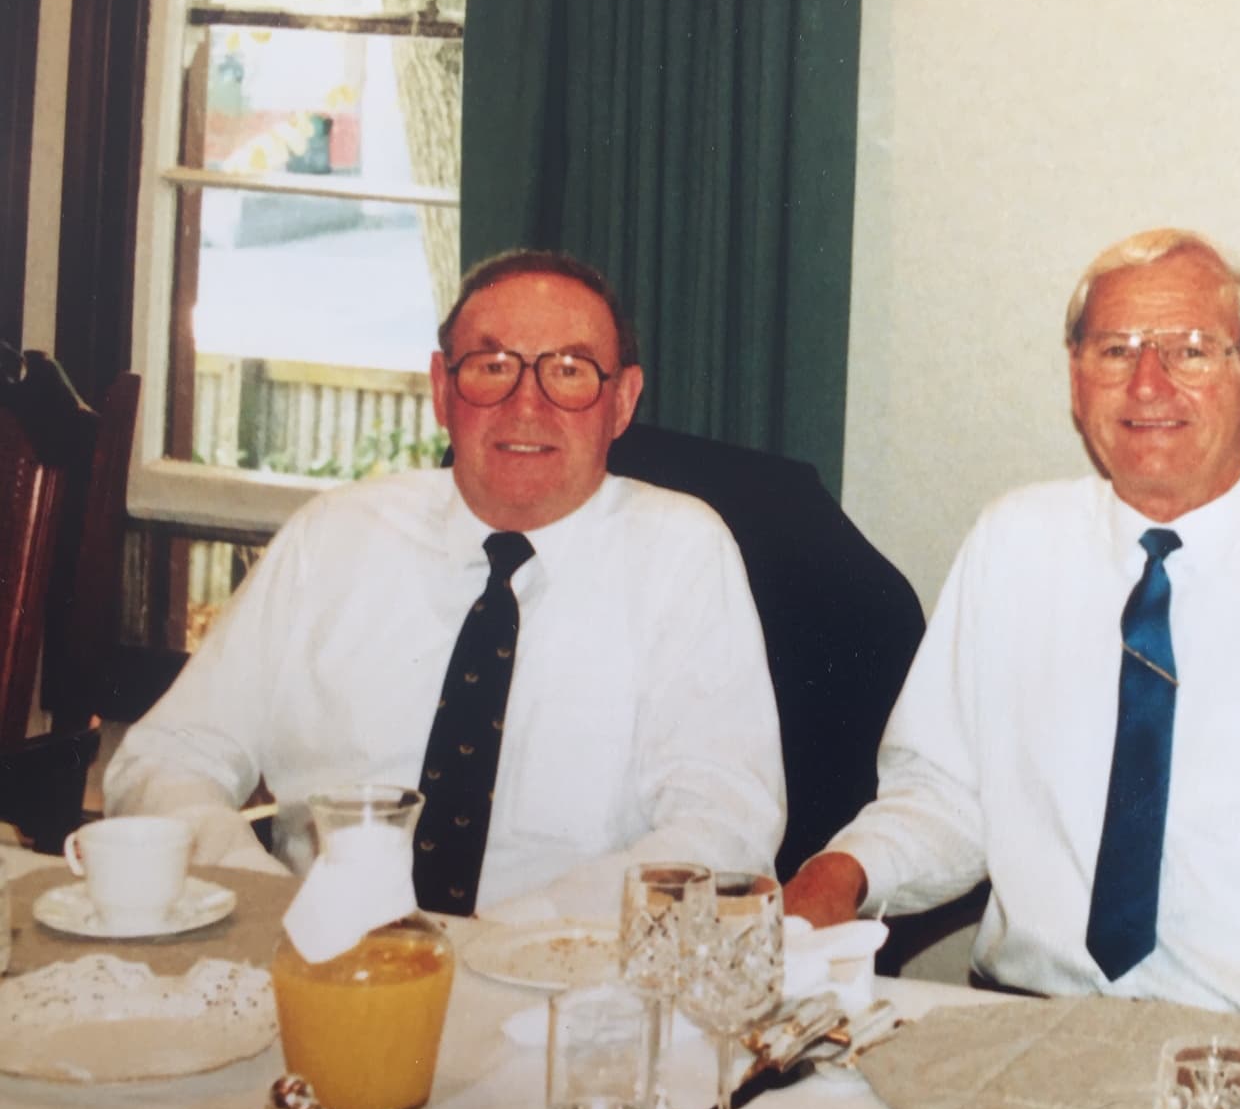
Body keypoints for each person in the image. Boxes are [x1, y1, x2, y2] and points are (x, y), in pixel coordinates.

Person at [784, 228, 1240, 1057]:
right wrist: (840, 871)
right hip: (1025, 1032)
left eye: (1191, 351)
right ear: (1076, 382)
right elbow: (947, 796)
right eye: (1115, 350)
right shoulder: (1012, 546)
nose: (1147, 383)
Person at [104, 250, 786, 917]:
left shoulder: (683, 553)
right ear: (440, 388)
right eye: (492, 367)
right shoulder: (333, 538)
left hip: (565, 978)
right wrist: (268, 898)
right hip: (321, 961)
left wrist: (521, 935)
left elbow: (726, 824)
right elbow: (164, 761)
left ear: (622, 401)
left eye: (569, 371)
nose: (527, 405)